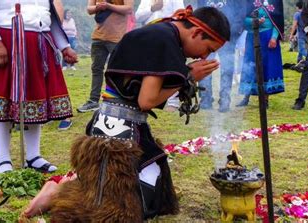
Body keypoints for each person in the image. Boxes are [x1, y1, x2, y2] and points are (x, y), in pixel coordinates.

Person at [21, 6, 230, 221]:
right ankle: (57, 192)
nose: (205, 55)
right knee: (116, 213)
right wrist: (188, 76)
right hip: (119, 138)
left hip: (108, 125)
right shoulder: (164, 41)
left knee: (154, 194)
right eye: (208, 48)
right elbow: (145, 100)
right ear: (195, 32)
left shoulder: (159, 30)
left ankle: (66, 185)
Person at [0, 0, 78, 174]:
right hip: (7, 41)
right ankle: (3, 159)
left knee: (36, 101)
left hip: (39, 43)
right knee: (3, 100)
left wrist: (64, 47)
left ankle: (33, 156)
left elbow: (49, 16)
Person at [77, 0, 134, 113]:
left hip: (116, 38)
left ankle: (117, 101)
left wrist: (108, 5)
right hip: (98, 37)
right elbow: (89, 9)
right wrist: (98, 7)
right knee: (96, 69)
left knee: (118, 71)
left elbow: (128, 9)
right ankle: (93, 101)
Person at [197, 0, 247, 112]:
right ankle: (205, 99)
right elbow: (200, 12)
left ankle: (225, 100)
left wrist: (234, 31)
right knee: (205, 66)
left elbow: (240, 13)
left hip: (228, 36)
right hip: (207, 36)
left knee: (227, 69)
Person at [136, 0, 185, 112]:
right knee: (148, 68)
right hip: (148, 35)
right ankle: (146, 97)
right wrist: (152, 8)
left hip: (168, 37)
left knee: (171, 67)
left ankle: (172, 102)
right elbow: (138, 17)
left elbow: (181, 16)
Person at [237, 0, 285, 108]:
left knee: (266, 67)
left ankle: (265, 99)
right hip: (251, 37)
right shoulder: (248, 1)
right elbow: (243, 19)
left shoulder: (275, 1)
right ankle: (246, 97)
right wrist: (255, 22)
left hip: (268, 38)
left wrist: (274, 37)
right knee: (249, 66)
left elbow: (278, 21)